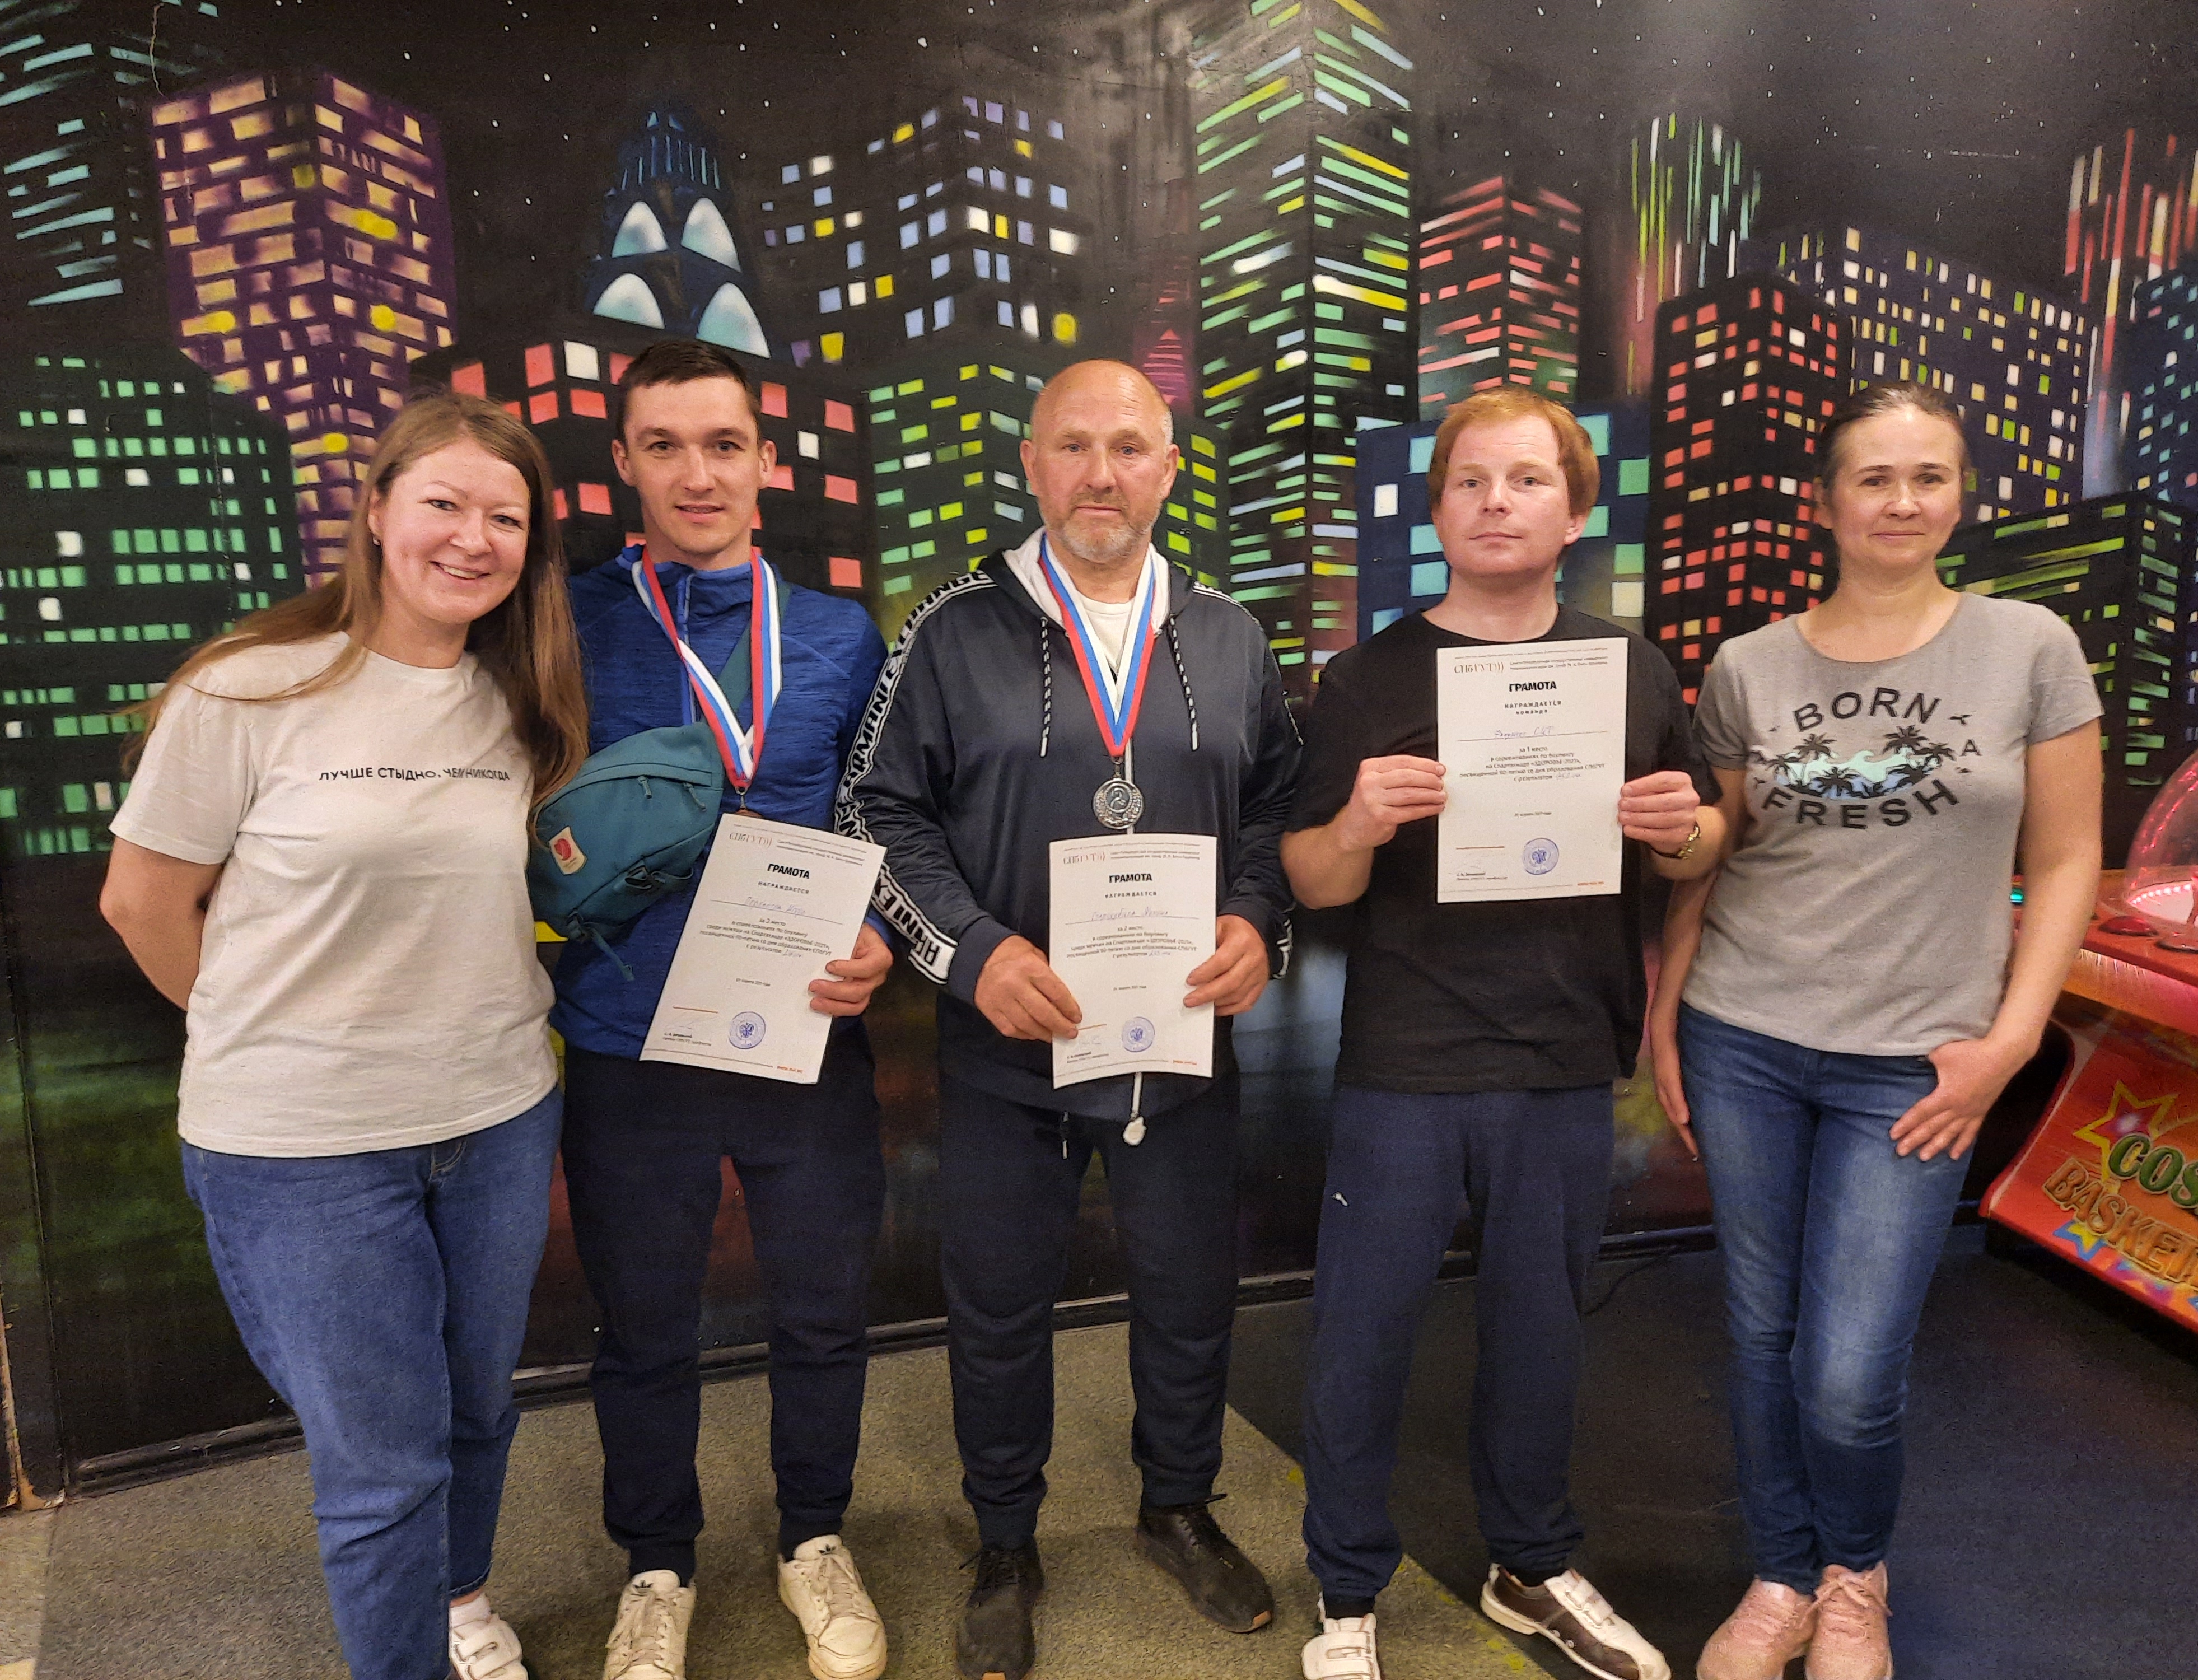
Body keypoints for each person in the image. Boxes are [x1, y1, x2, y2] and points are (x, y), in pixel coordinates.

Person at [99, 393, 589, 1680]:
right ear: (375, 512)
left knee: (475, 1413)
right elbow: (142, 903)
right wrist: (269, 1033)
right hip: (303, 1151)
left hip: (493, 1119)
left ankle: (459, 1602)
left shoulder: (517, 700)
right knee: (381, 1469)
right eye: (443, 504)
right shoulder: (248, 688)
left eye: (504, 518)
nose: (472, 538)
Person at [837, 358, 1298, 1680]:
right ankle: (1003, 1544)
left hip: (1179, 1045)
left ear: (1168, 468)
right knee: (995, 1310)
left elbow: (1276, 807)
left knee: (1187, 1293)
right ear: (1031, 465)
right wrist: (969, 954)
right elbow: (875, 806)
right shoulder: (949, 628)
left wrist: (1258, 920)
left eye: (1129, 448)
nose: (1102, 474)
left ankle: (1178, 1505)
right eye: (1074, 447)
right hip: (1008, 1047)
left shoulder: (1228, 634)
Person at [1646, 383, 2103, 1680]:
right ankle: (1782, 1576)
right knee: (1759, 1336)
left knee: (1848, 1371)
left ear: (1958, 496)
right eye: (1872, 478)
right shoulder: (1750, 664)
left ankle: (1854, 1576)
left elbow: (2065, 860)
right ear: (1824, 503)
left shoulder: (2027, 647)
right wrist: (1667, 1016)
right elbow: (1713, 856)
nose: (1900, 502)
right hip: (1744, 1035)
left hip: (1916, 1063)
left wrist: (2008, 1044)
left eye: (1926, 477)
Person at [1281, 388, 1724, 1680]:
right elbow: (1311, 882)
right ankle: (1345, 1595)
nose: (1494, 503)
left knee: (1539, 1336)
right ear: (1435, 511)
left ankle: (1527, 1566)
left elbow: (1699, 840)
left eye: (1526, 480)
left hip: (1563, 1058)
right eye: (1469, 481)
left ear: (1574, 513)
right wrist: (1355, 824)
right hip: (1406, 1060)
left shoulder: (1628, 670)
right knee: (1360, 1338)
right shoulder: (1364, 677)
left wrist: (1678, 829)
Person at [548, 340, 896, 1680]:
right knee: (643, 1327)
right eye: (664, 446)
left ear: (765, 461)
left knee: (820, 1309)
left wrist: (879, 937)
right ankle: (657, 1566)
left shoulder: (838, 634)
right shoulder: (564, 623)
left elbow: (884, 820)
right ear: (623, 463)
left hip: (803, 1024)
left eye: (722, 444)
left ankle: (814, 1536)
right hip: (627, 1037)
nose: (696, 474)